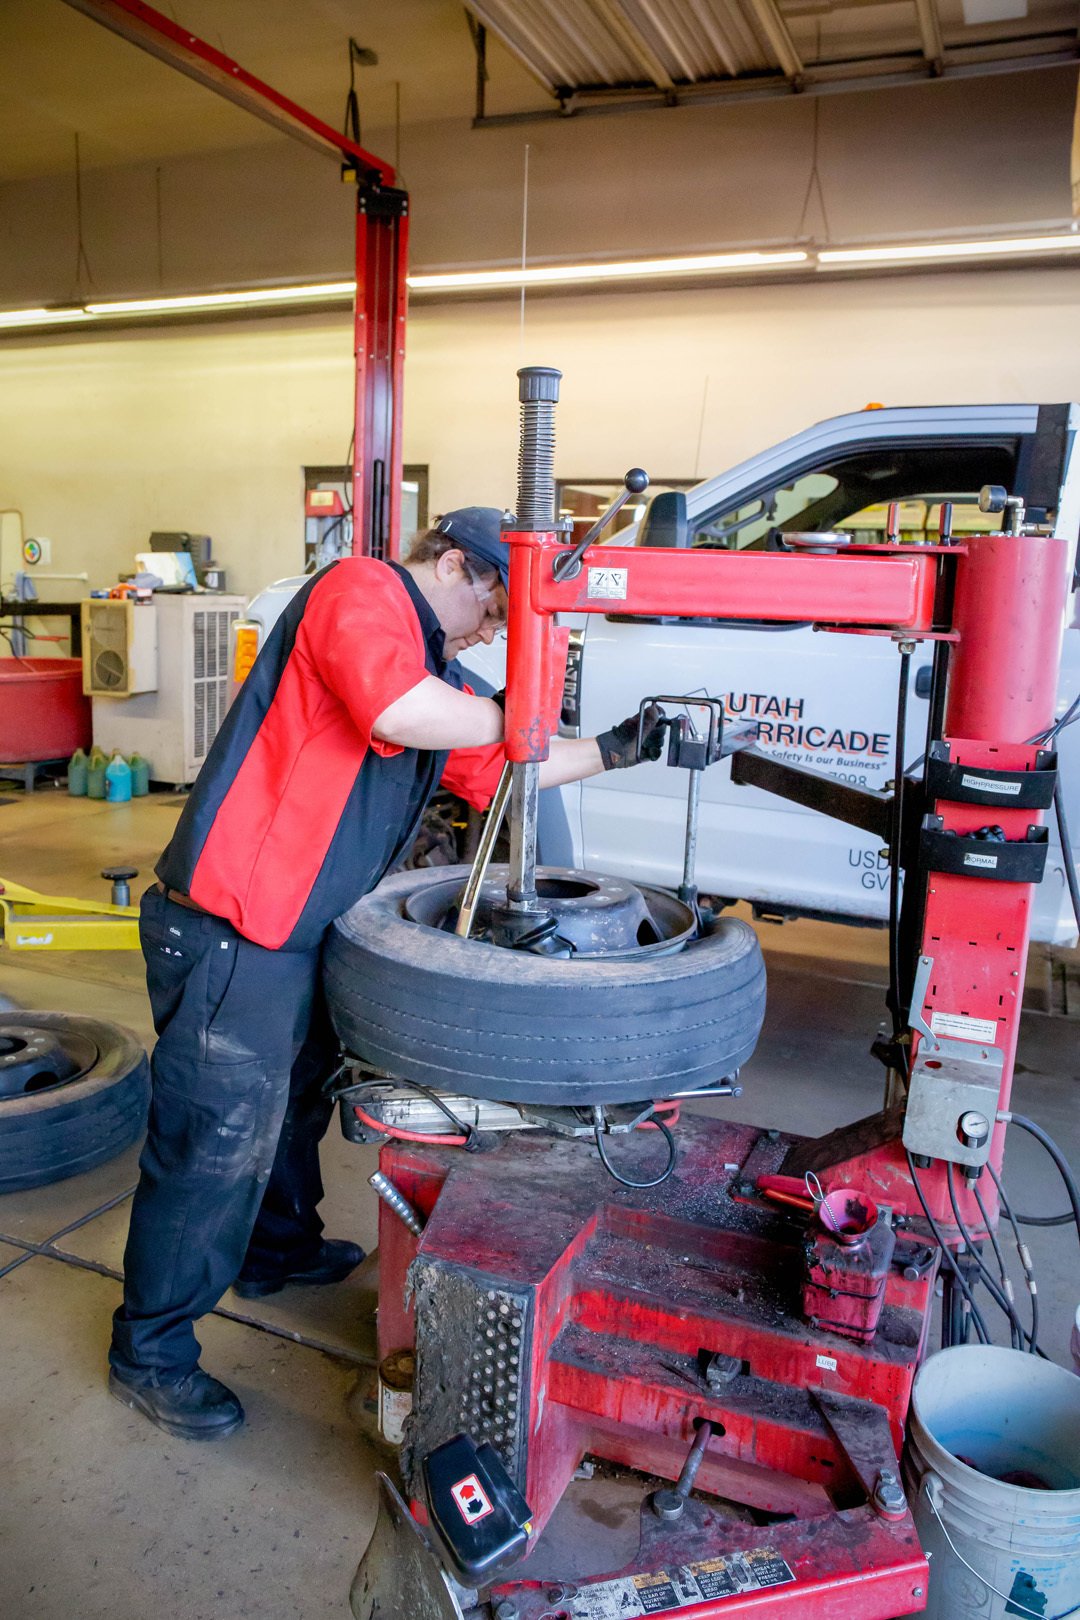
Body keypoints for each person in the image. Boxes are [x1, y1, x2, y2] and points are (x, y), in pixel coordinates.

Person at [108, 506, 666, 1440]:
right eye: (494, 603)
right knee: (214, 1148)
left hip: (299, 934)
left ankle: (275, 1250)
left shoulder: (440, 675)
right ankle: (151, 1352)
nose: (494, 628)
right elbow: (396, 708)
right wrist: (516, 707)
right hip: (229, 933)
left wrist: (623, 745)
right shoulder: (359, 591)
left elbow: (502, 770)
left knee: (293, 1109)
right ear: (451, 564)